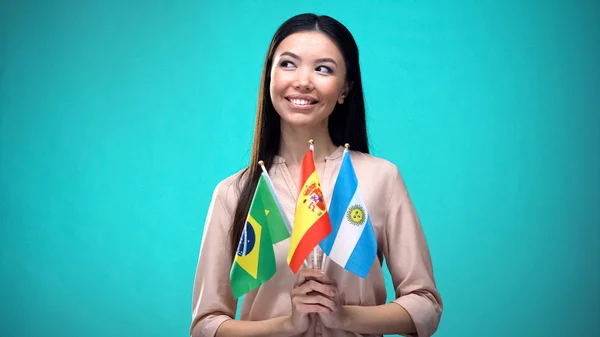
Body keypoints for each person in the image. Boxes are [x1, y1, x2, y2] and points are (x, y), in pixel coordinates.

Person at [190, 13, 443, 337]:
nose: (303, 81)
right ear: (269, 77)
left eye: (323, 68)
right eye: (288, 64)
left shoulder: (381, 179)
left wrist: (345, 317)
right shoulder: (234, 193)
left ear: (345, 89)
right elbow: (206, 325)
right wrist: (286, 324)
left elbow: (425, 305)